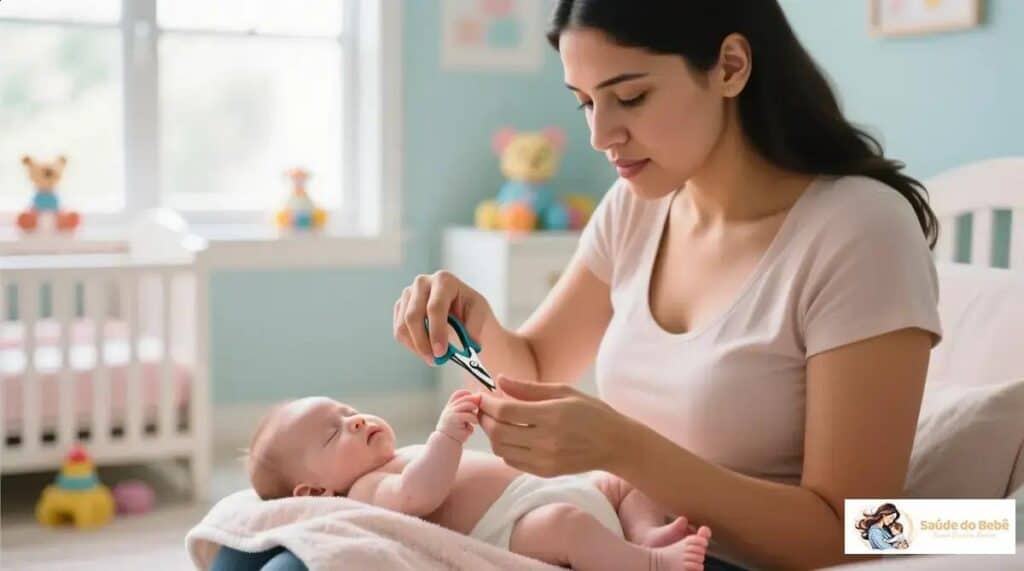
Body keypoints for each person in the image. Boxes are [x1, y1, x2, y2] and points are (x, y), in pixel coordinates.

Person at [392, 1, 942, 568]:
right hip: (618, 541)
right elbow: (533, 364)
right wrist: (471, 317)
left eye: (630, 97)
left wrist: (620, 446)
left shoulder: (861, 231)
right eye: (585, 102)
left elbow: (863, 532)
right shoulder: (637, 208)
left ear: (730, 66)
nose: (600, 134)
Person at [244, 393, 712, 570]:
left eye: (348, 411)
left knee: (623, 478)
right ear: (316, 492)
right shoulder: (367, 491)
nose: (355, 421)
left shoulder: (396, 456)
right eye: (334, 432)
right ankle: (648, 562)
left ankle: (643, 529)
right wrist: (446, 436)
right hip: (519, 524)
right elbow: (418, 495)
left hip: (551, 487)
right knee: (566, 525)